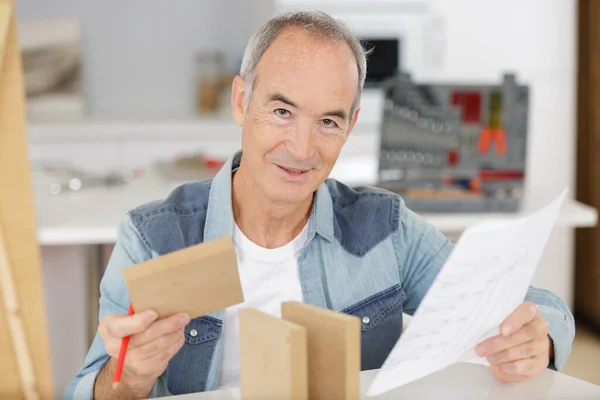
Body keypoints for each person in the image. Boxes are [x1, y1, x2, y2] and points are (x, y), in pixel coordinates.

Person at [65, 11, 574, 399]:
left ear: (349, 127)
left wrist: (538, 339)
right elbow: (91, 388)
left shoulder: (384, 228)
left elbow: (531, 305)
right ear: (242, 101)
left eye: (328, 121)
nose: (303, 148)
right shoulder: (155, 237)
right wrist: (128, 377)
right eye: (282, 111)